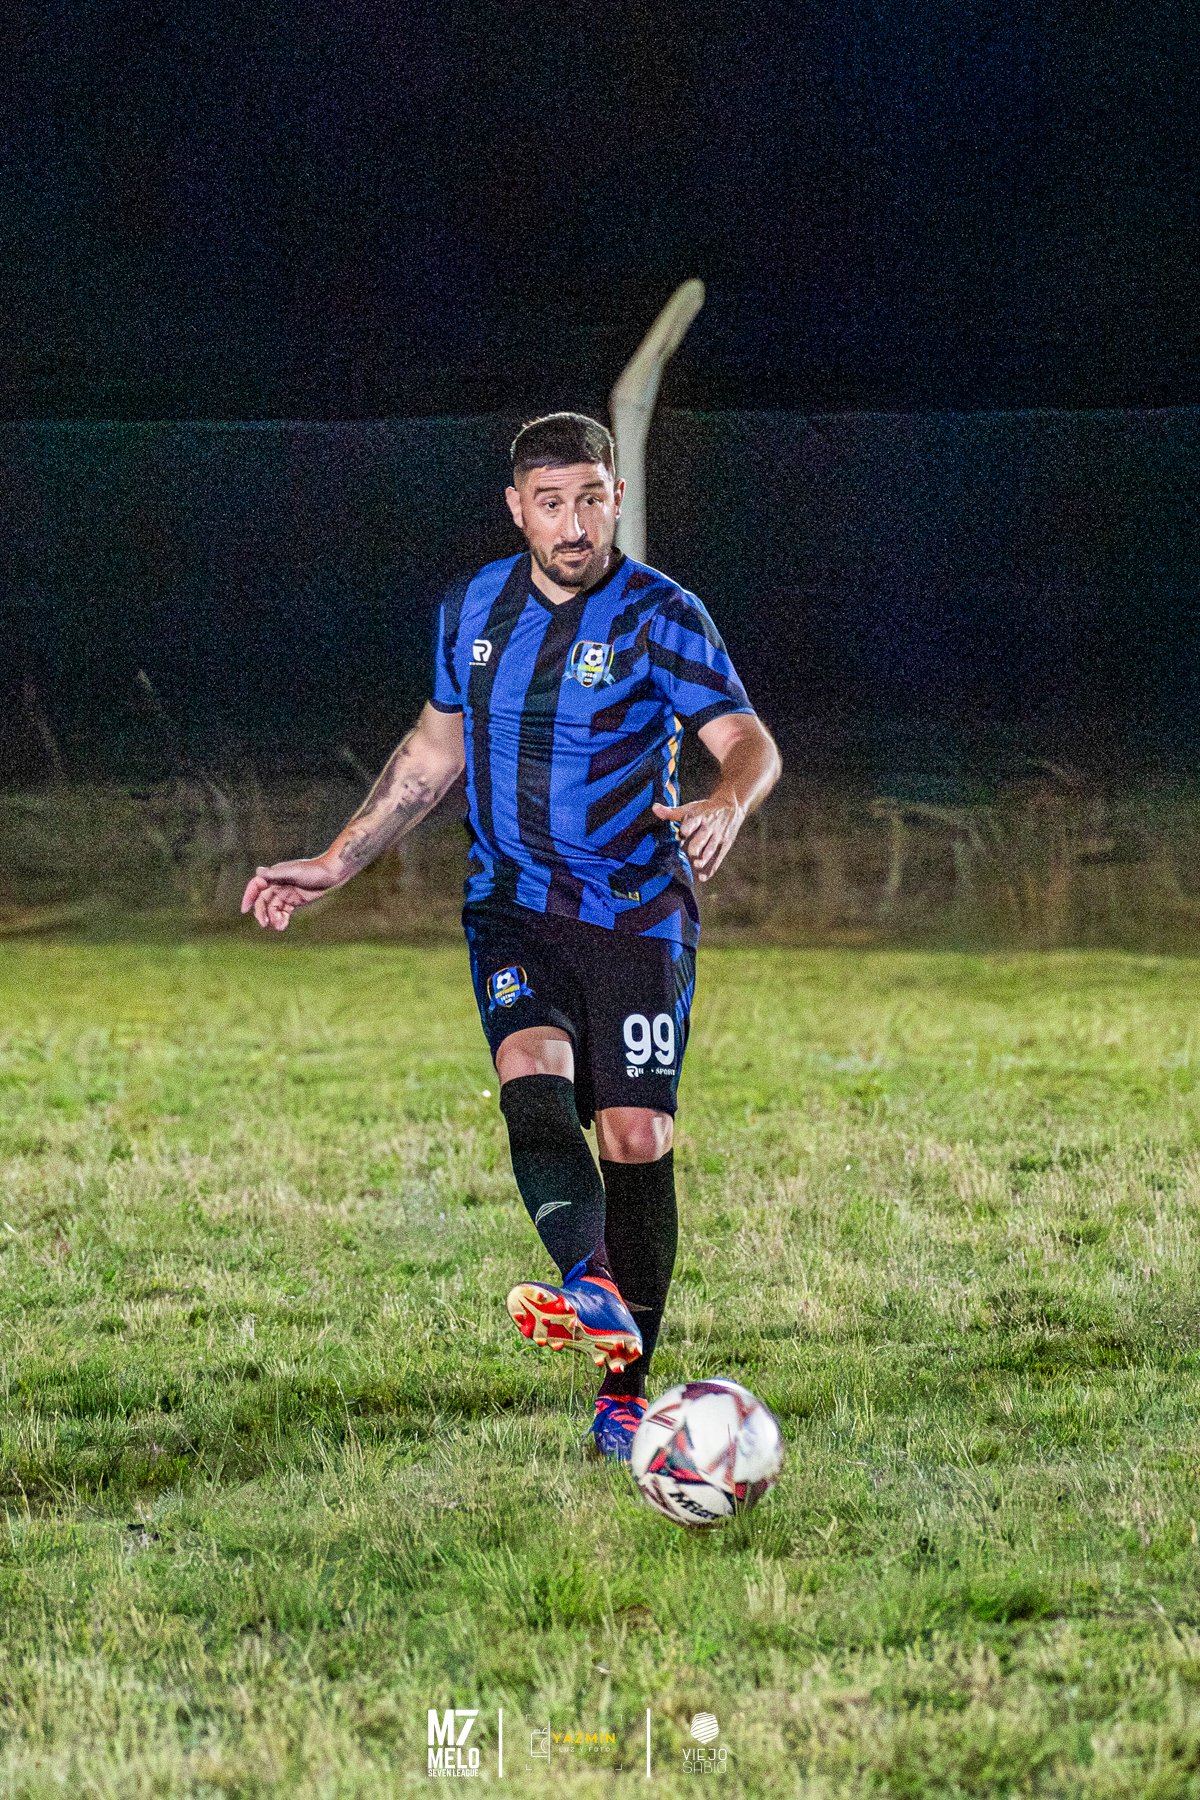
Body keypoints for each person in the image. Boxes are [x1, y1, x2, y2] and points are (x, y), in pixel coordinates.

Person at [241, 412, 781, 1459]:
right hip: (513, 902)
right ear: (516, 509)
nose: (573, 525)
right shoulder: (472, 609)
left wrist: (728, 799)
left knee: (634, 1137)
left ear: (616, 498)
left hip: (635, 913)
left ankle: (624, 1393)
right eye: (550, 503)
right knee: (529, 1072)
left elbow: (746, 738)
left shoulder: (664, 615)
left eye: (590, 500)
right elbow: (431, 754)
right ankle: (589, 1282)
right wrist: (338, 861)